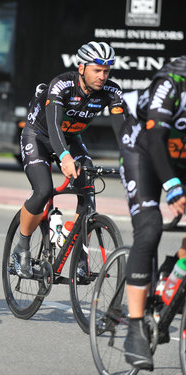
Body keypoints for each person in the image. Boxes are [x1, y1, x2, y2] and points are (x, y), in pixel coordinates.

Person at [14, 41, 126, 278]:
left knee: (87, 189)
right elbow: (54, 126)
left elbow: (123, 131)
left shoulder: (112, 92)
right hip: (39, 136)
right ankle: (21, 247)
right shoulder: (61, 85)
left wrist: (132, 160)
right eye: (97, 70)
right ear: (82, 67)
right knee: (43, 191)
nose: (102, 76)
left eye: (106, 71)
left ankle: (80, 258)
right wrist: (64, 157)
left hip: (71, 138)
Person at [115, 55, 186, 371]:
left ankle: (173, 277)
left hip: (180, 151)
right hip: (143, 147)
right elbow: (155, 138)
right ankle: (134, 327)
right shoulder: (172, 82)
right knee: (150, 226)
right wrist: (171, 185)